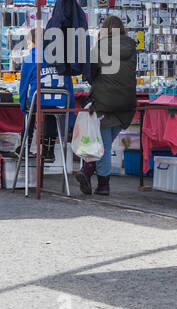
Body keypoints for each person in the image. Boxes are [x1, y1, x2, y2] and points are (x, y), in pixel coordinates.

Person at [78, 16, 137, 196]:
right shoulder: (132, 47)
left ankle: (100, 181)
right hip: (127, 102)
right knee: (104, 142)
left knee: (103, 144)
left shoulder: (100, 47)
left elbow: (90, 73)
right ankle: (88, 172)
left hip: (105, 101)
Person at [19, 27, 73, 163]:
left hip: (38, 101)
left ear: (31, 41)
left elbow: (23, 86)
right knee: (51, 114)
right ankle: (49, 150)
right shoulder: (60, 58)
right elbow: (69, 85)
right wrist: (70, 109)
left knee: (29, 110)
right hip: (60, 102)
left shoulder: (30, 58)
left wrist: (22, 105)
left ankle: (25, 147)